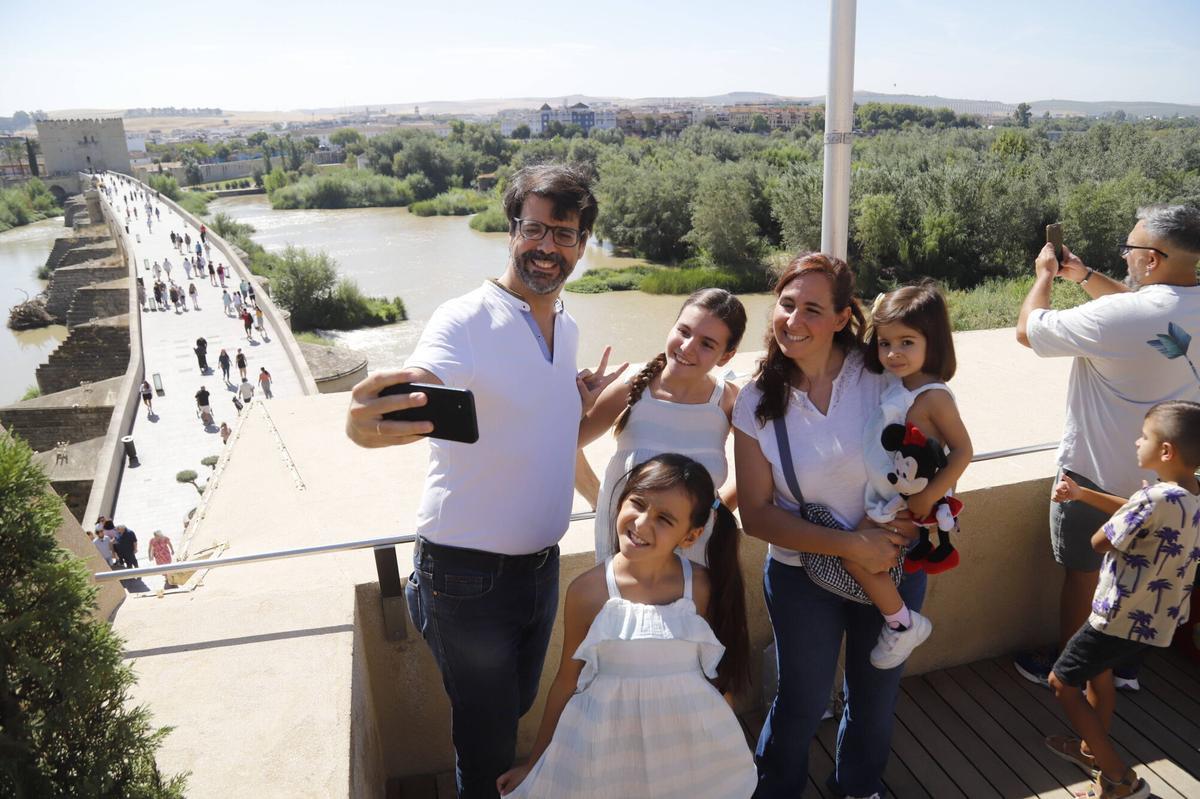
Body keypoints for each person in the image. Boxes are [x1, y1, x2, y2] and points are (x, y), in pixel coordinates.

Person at [344, 163, 623, 798]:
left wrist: (571, 403)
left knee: (517, 704)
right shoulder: (463, 321)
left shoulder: (566, 324)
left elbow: (536, 431)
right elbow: (417, 394)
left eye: (565, 234)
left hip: (538, 568)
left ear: (582, 245)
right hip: (468, 577)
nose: (547, 247)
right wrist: (365, 424)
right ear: (510, 231)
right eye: (534, 229)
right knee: (488, 740)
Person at [733, 253, 923, 799]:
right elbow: (757, 514)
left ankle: (858, 789)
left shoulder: (882, 373)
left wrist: (901, 528)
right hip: (800, 576)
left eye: (813, 309)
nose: (794, 320)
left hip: (893, 562)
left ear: (843, 318)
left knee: (875, 697)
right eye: (786, 305)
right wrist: (850, 545)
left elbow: (926, 452)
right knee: (800, 699)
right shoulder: (756, 402)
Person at [1014, 204, 1200, 686]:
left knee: (1083, 574)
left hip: (1096, 475)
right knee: (1149, 574)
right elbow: (1151, 318)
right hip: (1174, 486)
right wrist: (1086, 275)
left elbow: (1027, 330)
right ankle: (1125, 667)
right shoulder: (1179, 307)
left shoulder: (1122, 315)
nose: (1125, 255)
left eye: (1130, 248)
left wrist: (1045, 277)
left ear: (1153, 259)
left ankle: (1068, 668)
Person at [496, 454, 755, 798]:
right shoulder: (587, 592)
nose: (642, 523)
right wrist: (535, 761)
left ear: (690, 536)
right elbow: (566, 680)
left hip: (684, 748)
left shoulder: (703, 588)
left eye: (664, 518)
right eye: (638, 503)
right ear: (620, 502)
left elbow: (722, 676)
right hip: (606, 746)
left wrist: (722, 736)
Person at [1044, 401, 1200, 799]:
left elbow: (1100, 542)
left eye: (1144, 436)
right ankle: (1089, 751)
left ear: (1166, 451)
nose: (1137, 441)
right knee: (1101, 677)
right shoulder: (1187, 494)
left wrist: (1097, 519)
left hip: (1116, 615)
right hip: (1153, 620)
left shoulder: (1154, 500)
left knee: (1062, 681)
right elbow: (1138, 511)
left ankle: (1118, 778)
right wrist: (1084, 494)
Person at [851, 282, 973, 668]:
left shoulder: (934, 395)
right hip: (895, 499)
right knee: (858, 553)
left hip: (914, 505)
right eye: (885, 343)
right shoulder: (896, 384)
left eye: (907, 342)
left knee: (856, 555)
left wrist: (928, 497)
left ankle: (902, 623)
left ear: (932, 341)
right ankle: (899, 619)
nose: (893, 353)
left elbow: (964, 451)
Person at [580, 288, 746, 565]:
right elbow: (562, 444)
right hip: (625, 556)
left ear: (726, 356)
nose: (687, 347)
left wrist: (716, 509)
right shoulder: (630, 390)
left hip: (696, 557)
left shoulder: (729, 401)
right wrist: (576, 408)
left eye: (707, 344)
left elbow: (758, 469)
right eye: (684, 331)